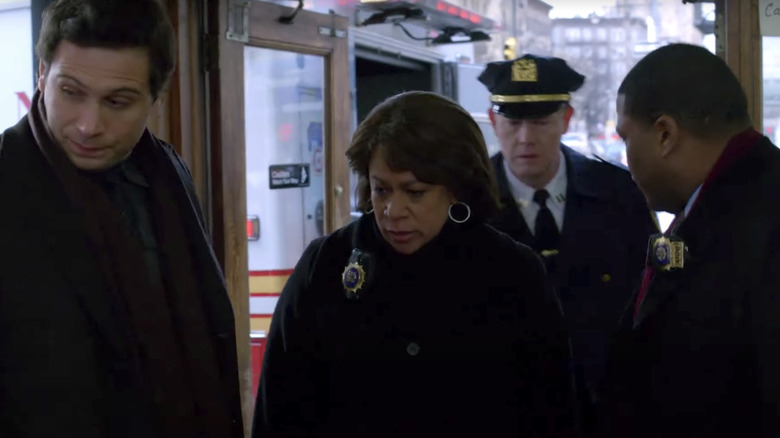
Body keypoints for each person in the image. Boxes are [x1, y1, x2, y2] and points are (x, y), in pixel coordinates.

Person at [253, 91, 578, 437]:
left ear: (455, 188)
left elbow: (550, 411)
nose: (393, 211)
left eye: (415, 192)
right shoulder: (328, 265)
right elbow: (280, 409)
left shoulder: (510, 273)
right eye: (381, 190)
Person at [0, 1, 243, 436]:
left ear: (156, 97)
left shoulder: (167, 172)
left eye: (118, 102)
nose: (89, 125)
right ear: (42, 75)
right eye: (71, 92)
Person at [600, 42, 780, 437]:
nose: (626, 159)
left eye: (626, 139)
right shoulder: (720, 205)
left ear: (664, 134)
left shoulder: (761, 225)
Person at [478, 54, 658, 432]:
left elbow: (652, 305)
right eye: (513, 123)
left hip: (606, 413)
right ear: (494, 122)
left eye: (541, 122)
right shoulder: (465, 203)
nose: (525, 138)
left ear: (566, 119)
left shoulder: (621, 195)